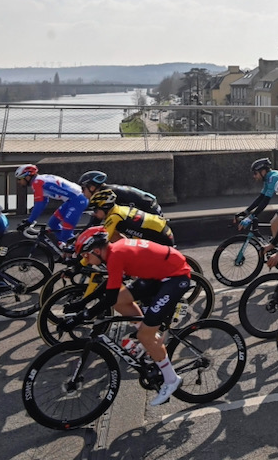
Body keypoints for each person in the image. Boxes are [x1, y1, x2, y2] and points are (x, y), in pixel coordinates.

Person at [65, 231, 192, 405]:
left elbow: (107, 297)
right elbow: (109, 288)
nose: (86, 261)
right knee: (120, 302)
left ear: (96, 250)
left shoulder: (116, 255)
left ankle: (171, 379)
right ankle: (150, 337)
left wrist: (83, 315)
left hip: (175, 277)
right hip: (159, 273)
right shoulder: (113, 252)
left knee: (143, 335)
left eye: (86, 256)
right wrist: (82, 304)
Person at [14, 164, 88, 245]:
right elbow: (44, 201)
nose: (18, 182)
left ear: (27, 177)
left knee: (66, 231)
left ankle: (76, 250)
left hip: (78, 200)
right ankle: (67, 247)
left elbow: (40, 203)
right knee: (53, 223)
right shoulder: (40, 179)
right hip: (72, 200)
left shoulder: (37, 183)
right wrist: (30, 220)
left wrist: (30, 221)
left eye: (19, 179)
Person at [88, 188, 175, 246]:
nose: (94, 214)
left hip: (161, 237)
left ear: (105, 208)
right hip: (161, 231)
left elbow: (103, 241)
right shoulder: (118, 210)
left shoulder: (115, 217)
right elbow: (116, 238)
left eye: (95, 211)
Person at [79, 171, 162, 224]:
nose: (82, 192)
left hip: (150, 211)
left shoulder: (106, 194)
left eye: (83, 188)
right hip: (149, 206)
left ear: (92, 187)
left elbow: (96, 221)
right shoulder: (105, 191)